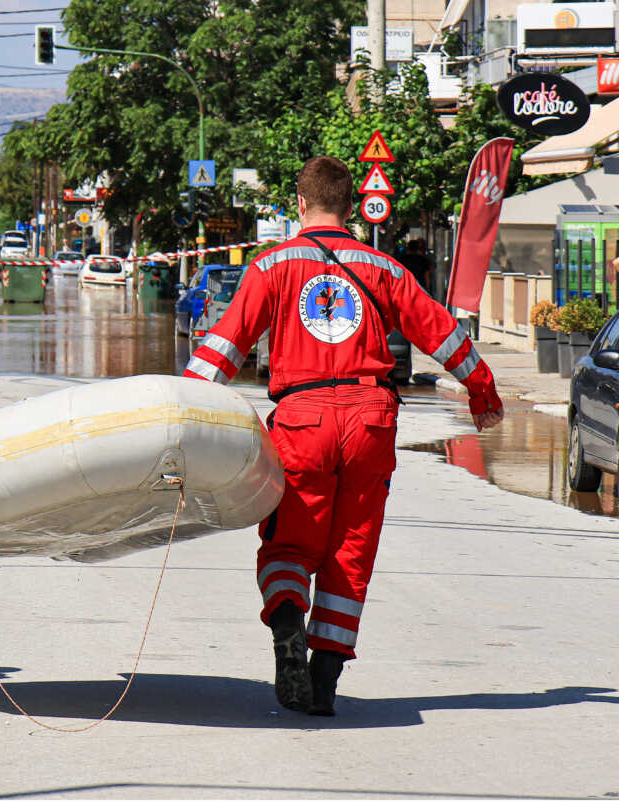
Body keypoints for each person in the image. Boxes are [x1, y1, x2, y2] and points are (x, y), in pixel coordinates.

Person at [183, 156, 504, 716]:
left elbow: (224, 347)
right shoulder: (383, 266)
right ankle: (324, 680)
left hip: (302, 419)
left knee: (288, 544)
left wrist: (181, 409)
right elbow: (442, 332)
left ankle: (287, 626)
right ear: (351, 208)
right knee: (351, 549)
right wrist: (482, 390)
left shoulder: (272, 265)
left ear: (299, 204)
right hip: (371, 419)